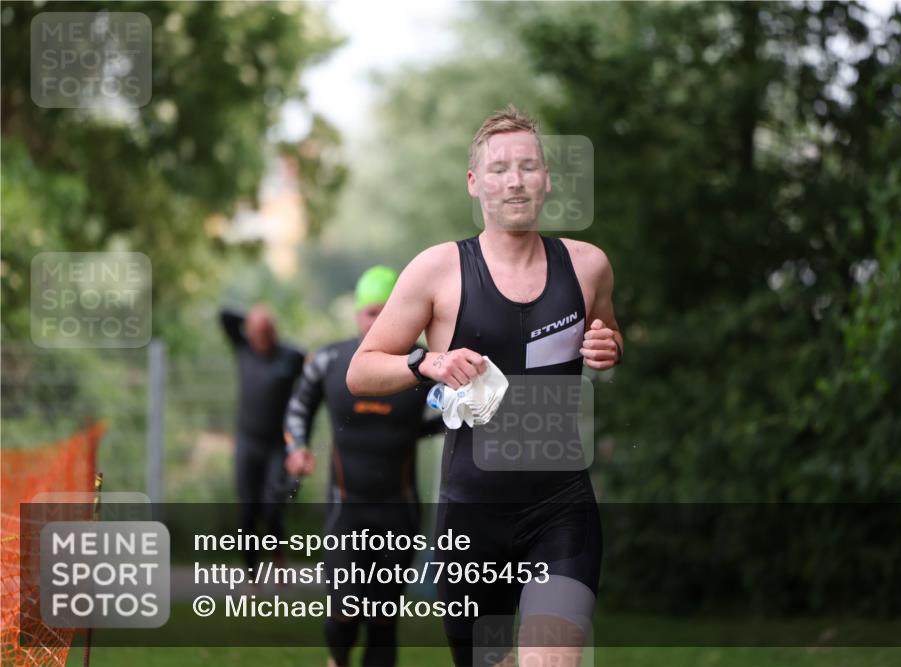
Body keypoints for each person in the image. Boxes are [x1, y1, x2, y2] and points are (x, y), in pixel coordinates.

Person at [345, 105, 622, 667]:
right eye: (498, 169)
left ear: (547, 178)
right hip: (472, 517)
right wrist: (426, 363)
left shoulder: (588, 266)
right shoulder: (437, 270)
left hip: (561, 508)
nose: (514, 180)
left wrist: (608, 349)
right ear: (474, 183)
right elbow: (362, 369)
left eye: (528, 167)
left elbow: (608, 340)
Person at [284, 266, 444, 667]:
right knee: (343, 608)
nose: (378, 321)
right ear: (357, 314)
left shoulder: (423, 367)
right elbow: (298, 408)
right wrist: (298, 448)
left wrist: (415, 432)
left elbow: (458, 411)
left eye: (387, 311)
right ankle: (336, 659)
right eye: (371, 312)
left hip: (400, 511)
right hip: (346, 510)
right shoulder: (330, 360)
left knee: (382, 619)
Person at [220, 304, 304, 573]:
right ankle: (251, 574)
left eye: (266, 331)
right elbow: (224, 315)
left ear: (274, 332)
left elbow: (316, 375)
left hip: (277, 446)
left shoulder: (290, 357)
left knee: (272, 507)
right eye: (256, 331)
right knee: (247, 510)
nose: (261, 337)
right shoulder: (243, 349)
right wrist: (253, 317)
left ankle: (279, 562)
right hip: (247, 443)